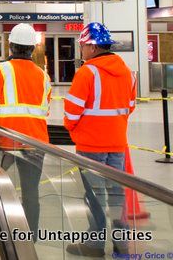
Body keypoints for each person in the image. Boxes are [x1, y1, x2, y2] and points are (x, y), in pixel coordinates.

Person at [64, 22, 135, 257]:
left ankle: (94, 245)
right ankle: (121, 245)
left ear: (93, 48)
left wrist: (75, 131)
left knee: (93, 196)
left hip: (90, 146)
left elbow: (72, 113)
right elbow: (130, 106)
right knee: (117, 196)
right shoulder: (125, 71)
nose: (81, 50)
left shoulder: (87, 72)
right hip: (117, 144)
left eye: (83, 46)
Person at [0, 23, 50, 239]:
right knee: (31, 193)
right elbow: (44, 109)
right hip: (35, 143)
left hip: (4, 141)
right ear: (32, 49)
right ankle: (31, 236)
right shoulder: (43, 76)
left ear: (11, 46)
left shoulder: (0, 70)